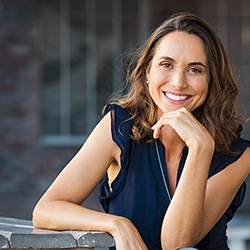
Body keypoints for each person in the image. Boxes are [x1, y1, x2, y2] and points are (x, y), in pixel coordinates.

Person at [33, 12, 250, 250]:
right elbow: (46, 210)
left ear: (212, 80)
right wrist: (117, 224)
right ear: (147, 72)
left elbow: (175, 242)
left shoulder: (238, 155)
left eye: (195, 70)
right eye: (166, 65)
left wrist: (201, 147)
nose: (178, 82)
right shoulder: (120, 127)